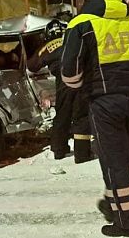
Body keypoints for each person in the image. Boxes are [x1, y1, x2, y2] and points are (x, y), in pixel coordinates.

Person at [62, 0, 129, 237]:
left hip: (103, 101)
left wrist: (83, 87)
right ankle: (118, 206)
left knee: (114, 163)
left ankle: (128, 223)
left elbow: (69, 72)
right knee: (124, 159)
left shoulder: (82, 23)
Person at [28, 20, 93, 163]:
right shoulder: (73, 39)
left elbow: (32, 66)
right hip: (81, 80)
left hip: (63, 83)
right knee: (81, 116)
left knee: (62, 115)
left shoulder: (47, 47)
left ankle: (59, 150)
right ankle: (82, 154)